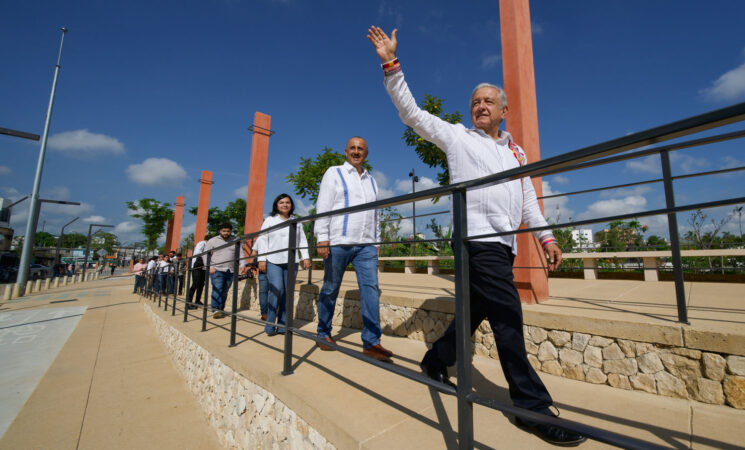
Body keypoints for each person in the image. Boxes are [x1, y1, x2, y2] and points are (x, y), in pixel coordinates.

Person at [367, 27, 585, 446]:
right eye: (475, 102)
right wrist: (391, 64)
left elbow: (527, 201)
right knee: (508, 317)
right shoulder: (456, 137)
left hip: (501, 246)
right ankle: (530, 408)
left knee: (476, 312)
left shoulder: (514, 153)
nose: (480, 106)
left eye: (488, 101)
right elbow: (412, 112)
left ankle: (435, 360)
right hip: (474, 242)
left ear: (504, 109)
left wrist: (546, 238)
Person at [314, 136, 393, 363]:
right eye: (353, 148)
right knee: (330, 287)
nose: (356, 152)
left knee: (371, 290)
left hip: (366, 245)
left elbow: (375, 213)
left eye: (361, 149)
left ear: (366, 154)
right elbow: (324, 205)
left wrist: (377, 243)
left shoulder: (372, 180)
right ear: (346, 152)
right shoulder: (334, 172)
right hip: (339, 241)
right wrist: (323, 238)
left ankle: (371, 342)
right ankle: (323, 333)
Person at [256, 194, 311, 336]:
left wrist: (305, 257)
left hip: (291, 261)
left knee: (288, 293)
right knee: (276, 289)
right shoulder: (270, 220)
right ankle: (270, 323)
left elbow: (302, 240)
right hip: (273, 260)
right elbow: (262, 239)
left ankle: (282, 325)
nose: (285, 205)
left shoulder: (296, 221)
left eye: (287, 202)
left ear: (291, 205)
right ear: (276, 205)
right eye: (281, 202)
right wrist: (261, 259)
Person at [204, 223, 247, 319]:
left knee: (224, 291)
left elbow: (240, 253)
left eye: (228, 231)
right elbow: (205, 255)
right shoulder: (212, 241)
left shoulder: (235, 240)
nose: (226, 233)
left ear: (231, 231)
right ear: (220, 231)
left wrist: (243, 264)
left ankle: (221, 309)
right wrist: (209, 266)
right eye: (224, 231)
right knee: (217, 288)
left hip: (230, 270)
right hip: (216, 269)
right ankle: (215, 308)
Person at [187, 235, 209, 309]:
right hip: (197, 266)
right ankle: (188, 302)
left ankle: (197, 300)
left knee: (201, 284)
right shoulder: (202, 243)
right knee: (195, 284)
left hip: (203, 267)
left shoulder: (206, 244)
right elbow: (198, 253)